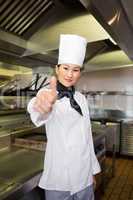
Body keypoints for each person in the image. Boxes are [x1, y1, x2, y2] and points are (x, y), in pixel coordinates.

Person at [27, 34, 101, 200]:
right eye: (65, 68)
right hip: (58, 180)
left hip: (84, 178)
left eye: (75, 70)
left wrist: (92, 173)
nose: (70, 74)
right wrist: (41, 107)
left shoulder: (81, 99)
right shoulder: (47, 93)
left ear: (80, 72)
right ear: (57, 68)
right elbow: (37, 108)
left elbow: (87, 138)